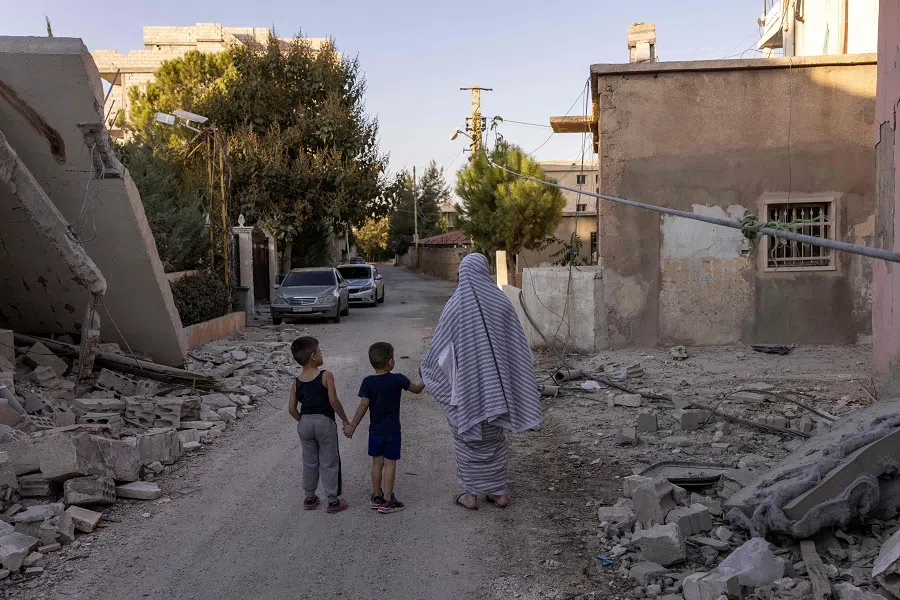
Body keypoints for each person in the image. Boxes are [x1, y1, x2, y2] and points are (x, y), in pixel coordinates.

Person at [420, 253, 542, 510]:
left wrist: (428, 370)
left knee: (467, 439)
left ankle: (471, 495)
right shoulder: (501, 302)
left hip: (467, 392)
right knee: (495, 440)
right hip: (496, 390)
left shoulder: (455, 307)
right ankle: (499, 493)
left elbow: (439, 350)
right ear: (485, 271)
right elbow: (517, 347)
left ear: (463, 274)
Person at [345, 342, 425, 514]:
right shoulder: (398, 379)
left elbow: (363, 405)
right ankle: (388, 501)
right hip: (392, 431)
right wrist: (427, 377)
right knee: (390, 465)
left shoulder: (368, 382)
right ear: (390, 362)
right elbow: (417, 389)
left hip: (375, 431)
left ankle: (376, 496)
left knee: (376, 463)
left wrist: (352, 426)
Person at [288, 336, 351, 514]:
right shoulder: (326, 375)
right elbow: (334, 401)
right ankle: (332, 500)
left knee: (309, 461)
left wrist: (303, 420)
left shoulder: (295, 381)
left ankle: (310, 498)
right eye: (320, 351)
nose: (322, 354)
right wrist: (345, 420)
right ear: (313, 356)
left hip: (305, 423)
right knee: (329, 461)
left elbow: (291, 409)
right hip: (324, 422)